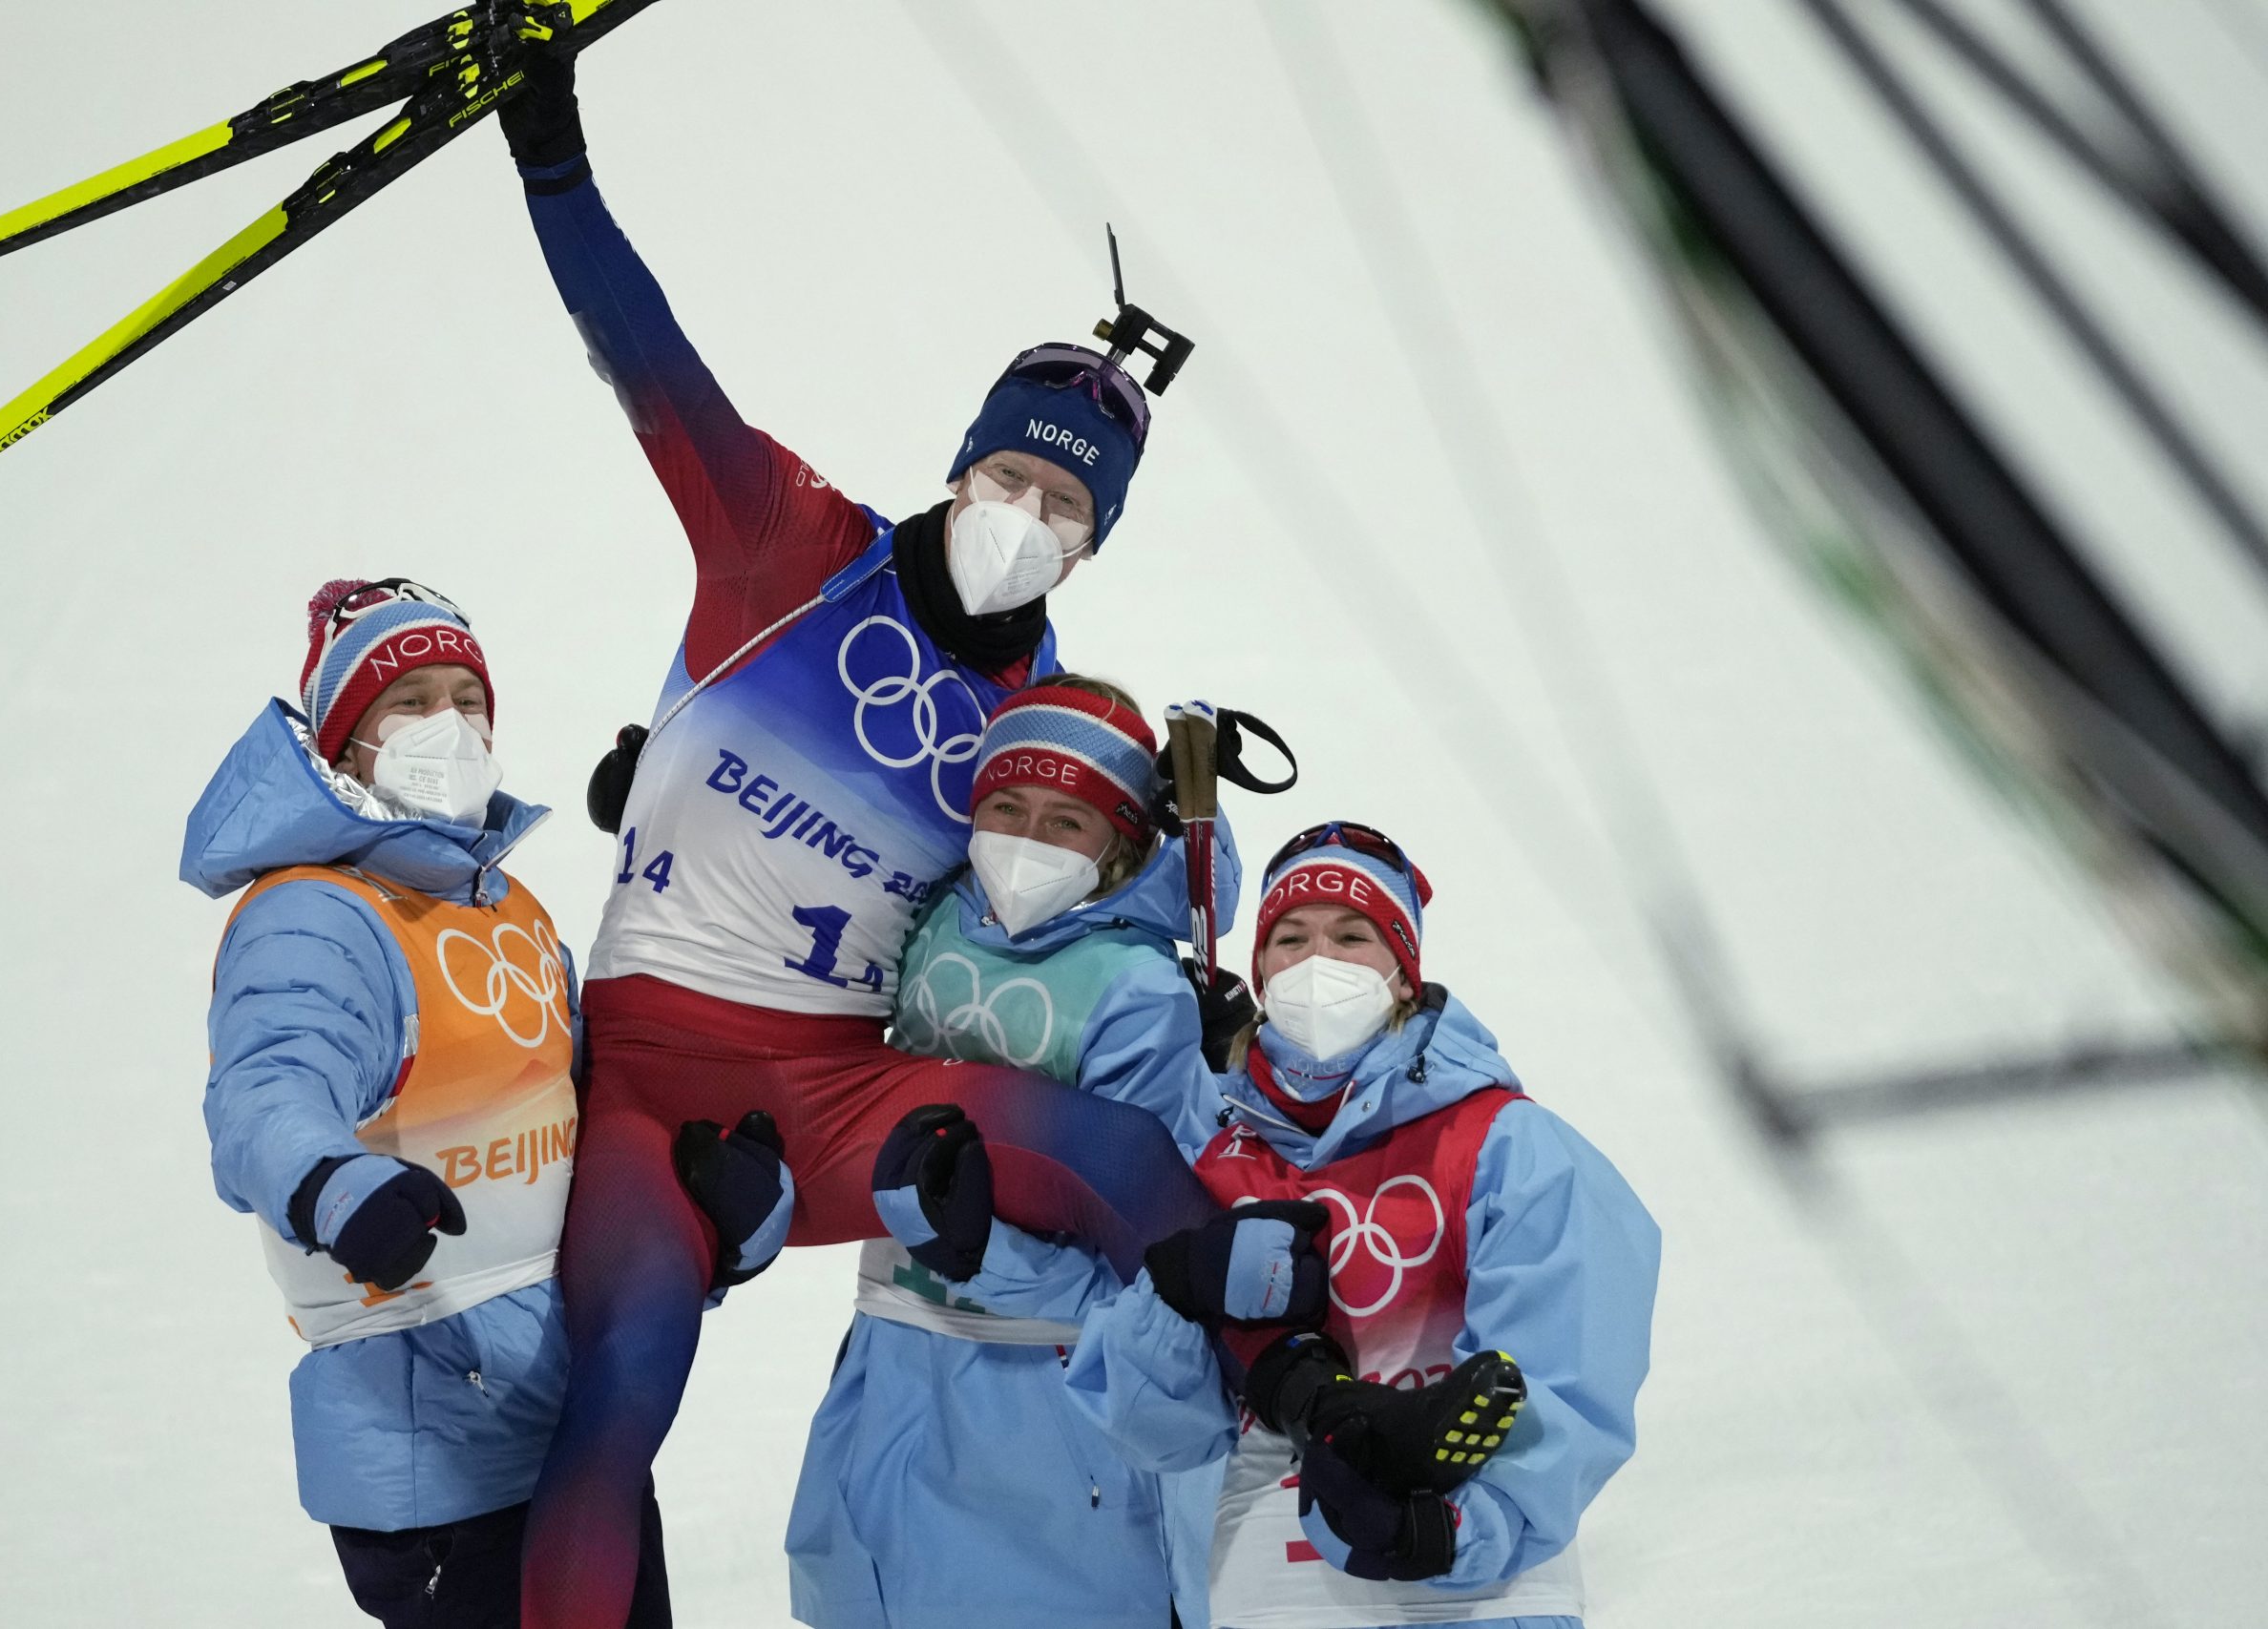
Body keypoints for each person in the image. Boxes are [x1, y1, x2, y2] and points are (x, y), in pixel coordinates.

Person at [492, 42, 1286, 1629]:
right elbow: (641, 353)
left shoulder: (1053, 706)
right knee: (623, 1386)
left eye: (1067, 514)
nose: (1026, 523)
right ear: (959, 459)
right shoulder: (788, 538)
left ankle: (1312, 1417)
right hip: (649, 1076)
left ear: (1097, 540)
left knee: (1116, 1159)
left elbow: (1111, 883)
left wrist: (1206, 915)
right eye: (1008, 477)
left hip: (834, 1088)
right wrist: (551, 154)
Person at [183, 578, 791, 1627]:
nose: (448, 727)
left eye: (467, 698)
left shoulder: (505, 907)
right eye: (409, 703)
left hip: (574, 1424)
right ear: (344, 742)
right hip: (439, 1458)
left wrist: (698, 1218)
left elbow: (584, 1126)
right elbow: (266, 1091)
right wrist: (334, 1184)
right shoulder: (316, 918)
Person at [888, 821, 1662, 1628]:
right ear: (1259, 971)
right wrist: (1175, 1287)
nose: (1317, 959)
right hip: (1263, 1586)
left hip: (1476, 1591)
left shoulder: (1506, 1143)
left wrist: (1450, 1529)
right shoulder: (1202, 1150)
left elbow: (1564, 1375)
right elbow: (1153, 1425)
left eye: (1352, 935)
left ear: (1403, 974)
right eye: (1291, 937)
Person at [786, 678, 1259, 1629]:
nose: (1026, 840)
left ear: (1121, 842)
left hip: (1050, 1418)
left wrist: (981, 1252)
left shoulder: (1136, 993)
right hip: (892, 1366)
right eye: (1005, 807)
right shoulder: (927, 924)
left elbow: (1150, 1279)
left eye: (1064, 821)